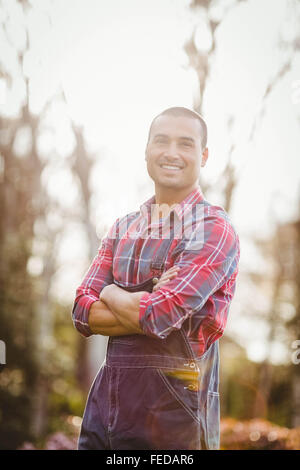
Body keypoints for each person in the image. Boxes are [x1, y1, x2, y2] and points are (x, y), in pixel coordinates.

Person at [71, 106, 240, 450]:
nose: (172, 153)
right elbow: (80, 312)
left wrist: (113, 294)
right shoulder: (122, 228)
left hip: (173, 417)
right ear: (147, 151)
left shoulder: (211, 229)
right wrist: (147, 301)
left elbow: (159, 315)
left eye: (186, 144)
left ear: (204, 156)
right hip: (106, 411)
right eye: (161, 141)